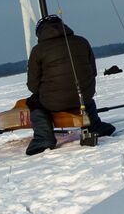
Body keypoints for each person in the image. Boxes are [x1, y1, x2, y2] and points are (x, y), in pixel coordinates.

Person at [25, 15, 115, 155]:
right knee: (86, 99)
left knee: (34, 102)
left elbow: (33, 85)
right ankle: (95, 125)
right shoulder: (82, 41)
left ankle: (43, 138)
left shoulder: (38, 50)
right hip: (84, 95)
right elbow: (93, 71)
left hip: (54, 102)